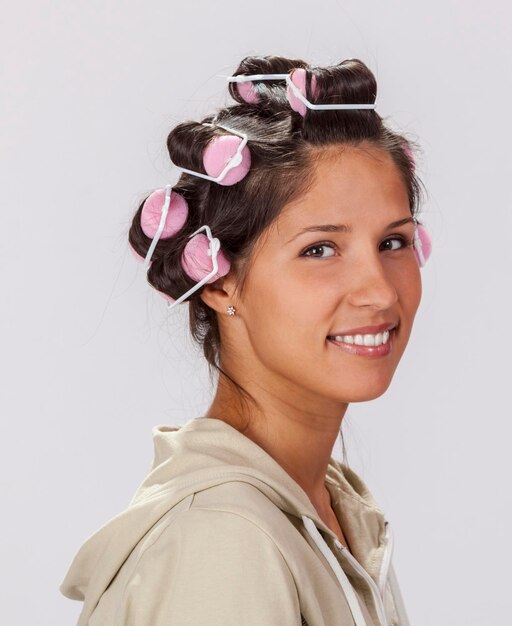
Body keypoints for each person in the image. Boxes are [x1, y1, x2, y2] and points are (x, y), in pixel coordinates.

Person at [59, 54, 432, 626]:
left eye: (393, 243)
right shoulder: (224, 538)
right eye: (320, 249)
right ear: (219, 279)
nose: (379, 292)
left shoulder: (332, 511)